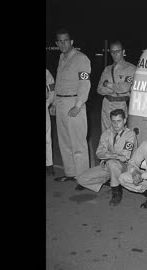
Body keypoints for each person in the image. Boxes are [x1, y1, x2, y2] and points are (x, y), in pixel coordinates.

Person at [52, 28, 91, 183]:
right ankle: (70, 173)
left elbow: (84, 83)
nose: (63, 43)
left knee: (78, 142)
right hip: (61, 102)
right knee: (65, 141)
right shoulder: (61, 57)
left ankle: (83, 177)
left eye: (66, 40)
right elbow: (59, 82)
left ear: (72, 41)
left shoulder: (81, 58)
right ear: (56, 43)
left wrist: (78, 105)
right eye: (60, 41)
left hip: (74, 102)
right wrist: (54, 102)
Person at [75, 109, 136, 206]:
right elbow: (99, 153)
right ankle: (109, 179)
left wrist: (108, 156)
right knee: (81, 179)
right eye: (113, 121)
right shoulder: (107, 133)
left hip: (125, 167)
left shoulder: (130, 134)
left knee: (112, 163)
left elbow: (125, 156)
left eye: (119, 121)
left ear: (124, 121)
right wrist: (114, 156)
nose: (116, 124)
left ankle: (116, 191)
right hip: (108, 165)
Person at [97, 40, 136, 133]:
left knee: (120, 134)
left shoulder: (131, 69)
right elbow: (99, 89)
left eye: (117, 51)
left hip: (121, 105)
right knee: (106, 135)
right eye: (112, 52)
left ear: (123, 52)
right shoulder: (107, 69)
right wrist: (115, 89)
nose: (114, 54)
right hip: (106, 104)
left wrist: (108, 85)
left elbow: (125, 88)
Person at [46, 68, 56, 176]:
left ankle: (49, 165)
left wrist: (48, 103)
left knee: (47, 139)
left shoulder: (46, 72)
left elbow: (52, 88)